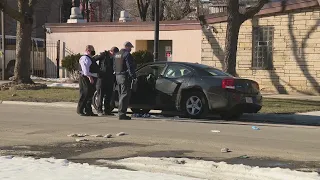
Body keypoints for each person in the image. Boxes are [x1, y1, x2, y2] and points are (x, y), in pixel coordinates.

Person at [93, 47, 119, 116]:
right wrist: (98, 70)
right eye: (115, 53)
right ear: (111, 52)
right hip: (102, 78)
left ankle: (107, 110)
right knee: (100, 95)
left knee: (108, 95)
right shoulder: (103, 55)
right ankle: (99, 110)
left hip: (110, 78)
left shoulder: (114, 58)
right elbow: (93, 60)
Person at [114, 41, 137, 120]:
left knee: (121, 95)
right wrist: (133, 76)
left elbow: (114, 66)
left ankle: (120, 112)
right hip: (124, 76)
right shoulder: (127, 54)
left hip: (118, 76)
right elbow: (130, 66)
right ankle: (122, 113)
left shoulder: (117, 54)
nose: (130, 49)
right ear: (127, 47)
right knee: (125, 95)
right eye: (130, 48)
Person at [77, 45, 99, 116]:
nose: (93, 51)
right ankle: (80, 110)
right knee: (85, 93)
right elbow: (85, 70)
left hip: (90, 77)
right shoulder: (84, 58)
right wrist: (90, 77)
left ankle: (88, 110)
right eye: (92, 50)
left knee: (90, 94)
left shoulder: (90, 58)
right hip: (85, 77)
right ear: (88, 50)